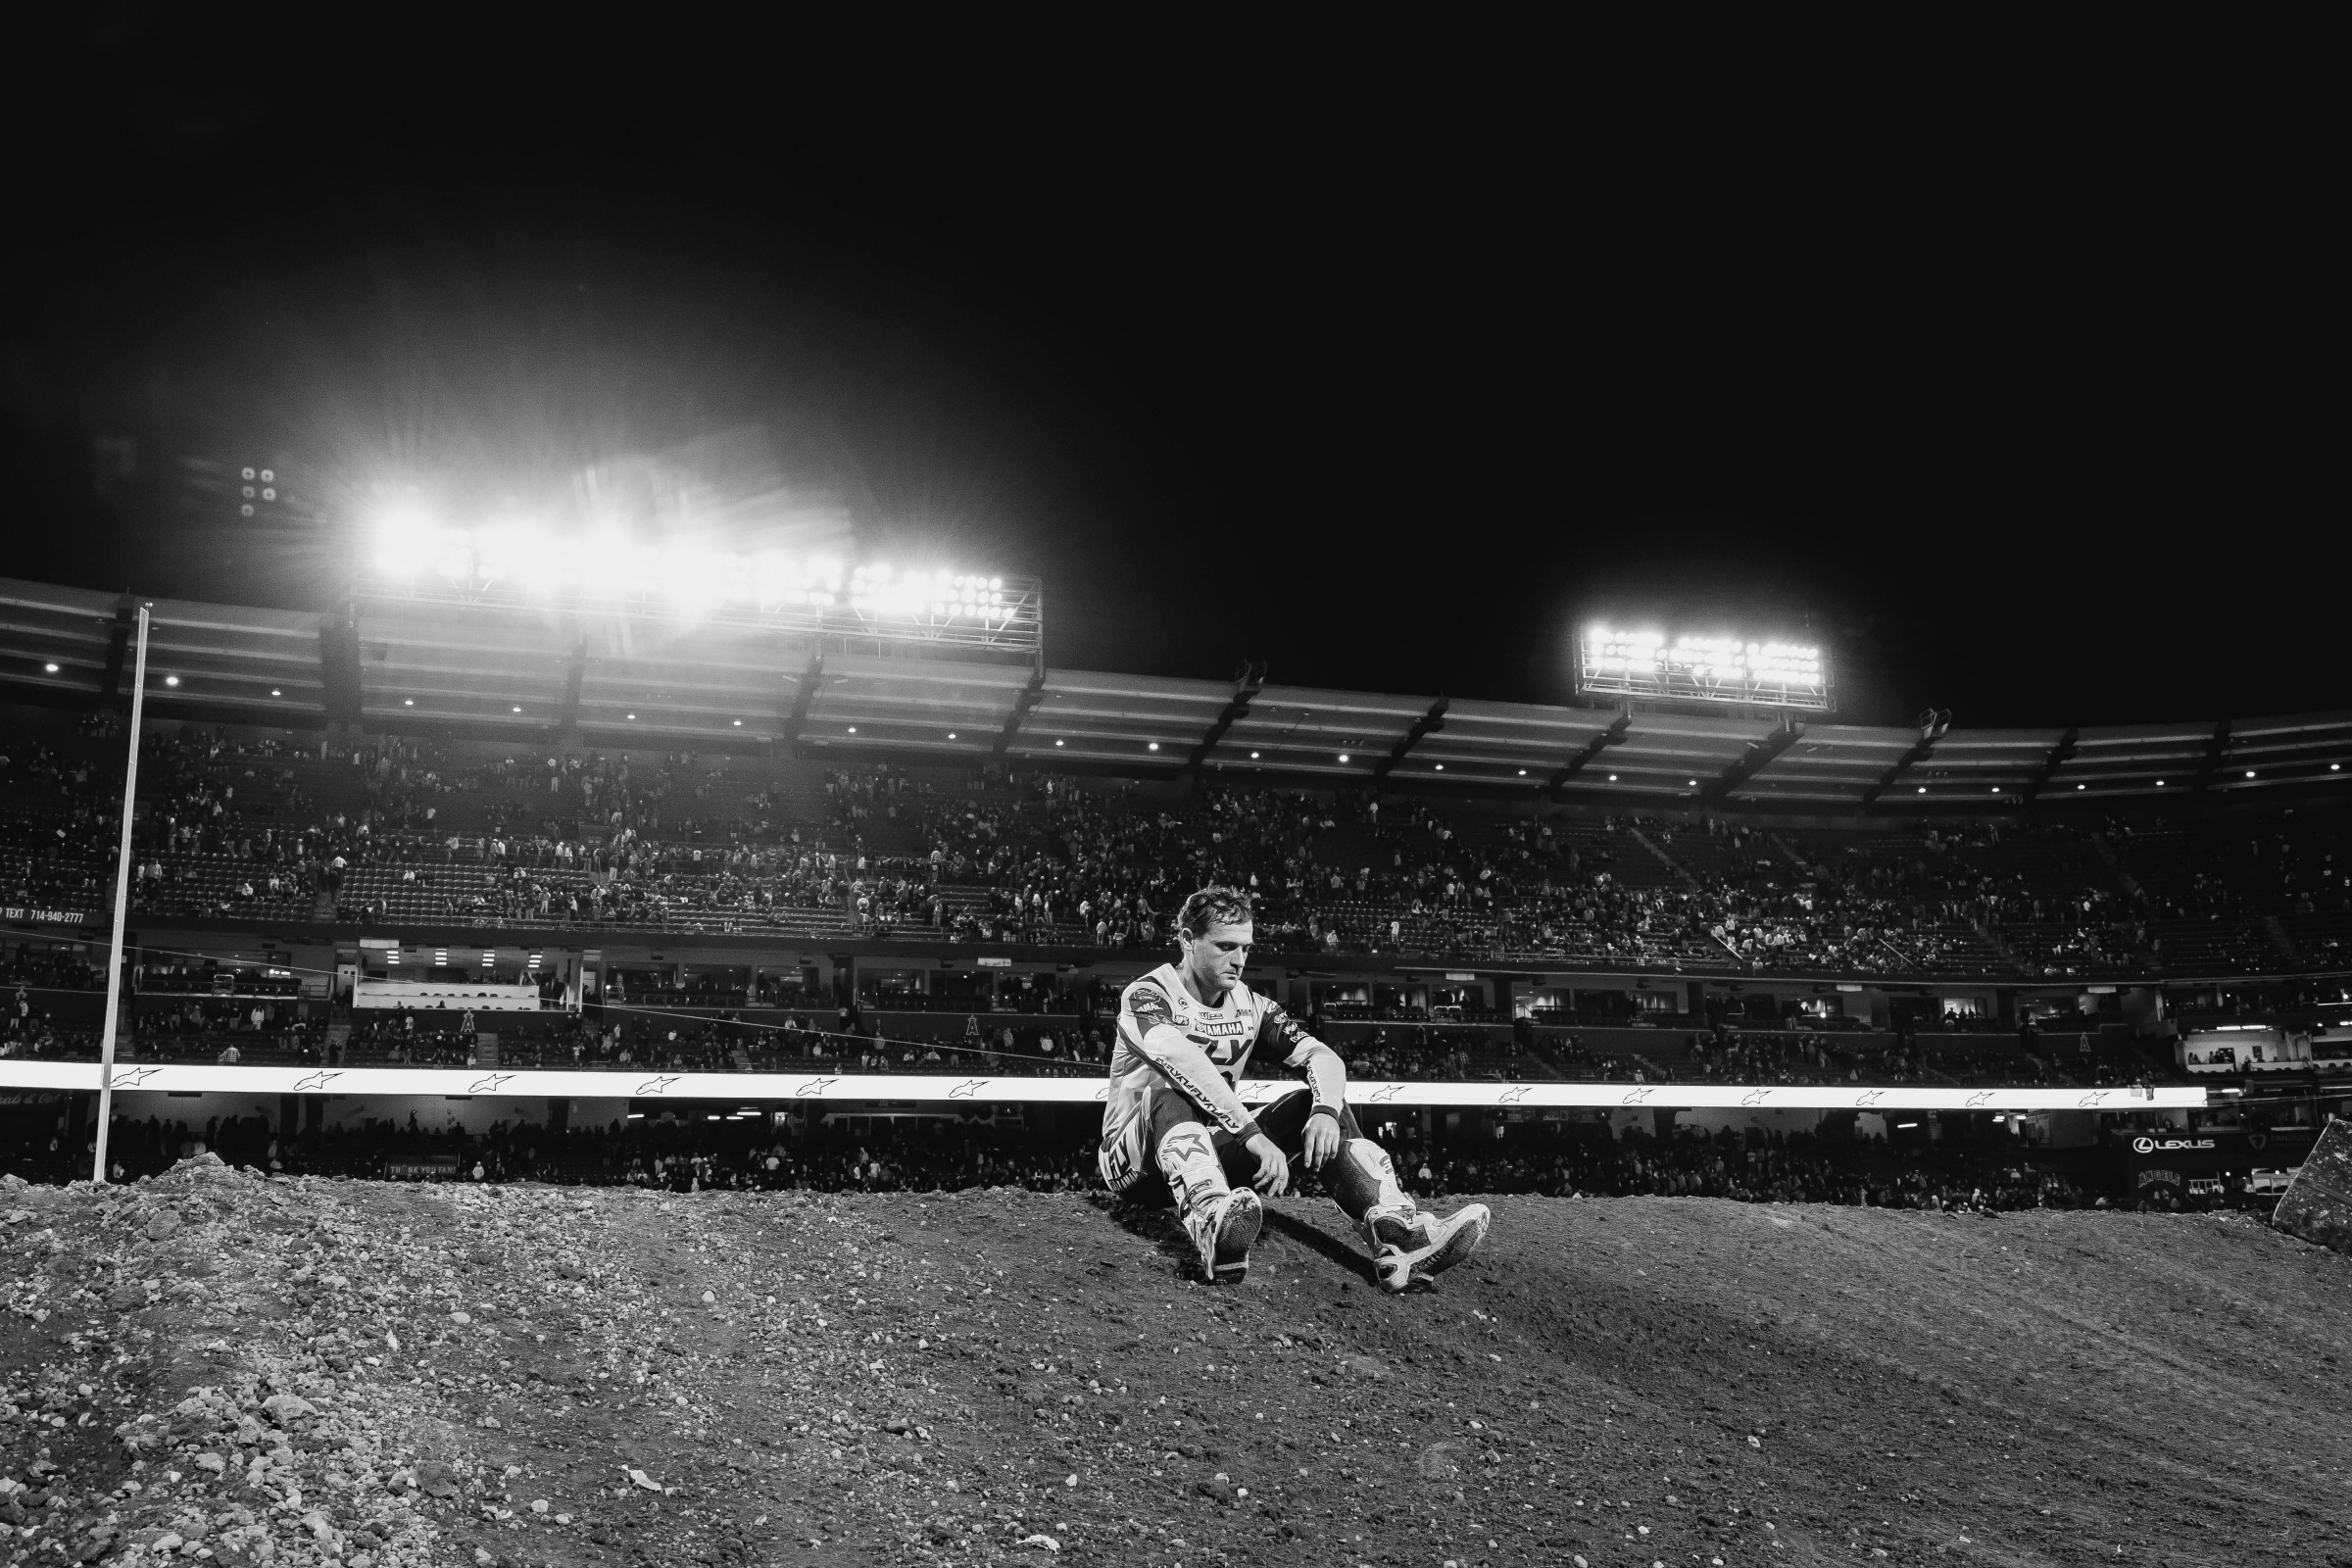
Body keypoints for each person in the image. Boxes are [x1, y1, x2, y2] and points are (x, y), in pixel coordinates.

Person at [1099, 884, 1489, 1292]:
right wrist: (1250, 1134)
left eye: (1246, 948)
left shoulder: (1250, 1005)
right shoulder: (1146, 995)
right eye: (1225, 946)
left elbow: (1323, 1057)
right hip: (1134, 1162)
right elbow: (1180, 1058)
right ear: (1187, 941)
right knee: (1168, 1091)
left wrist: (1324, 1111)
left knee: (1315, 1103)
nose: (1239, 960)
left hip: (1209, 1150)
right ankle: (1210, 1221)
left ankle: (1397, 1235)